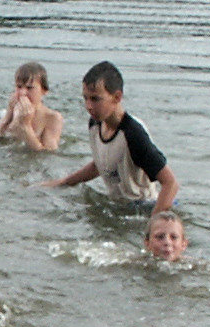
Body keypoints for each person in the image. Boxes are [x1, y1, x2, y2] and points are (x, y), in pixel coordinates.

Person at [44, 62, 178, 216]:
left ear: (117, 97)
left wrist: (154, 224)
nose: (88, 106)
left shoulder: (133, 134)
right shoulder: (95, 124)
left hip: (143, 208)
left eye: (95, 99)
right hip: (118, 207)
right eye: (85, 98)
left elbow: (171, 183)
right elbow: (101, 164)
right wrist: (63, 183)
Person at [0, 61, 64, 152]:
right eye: (19, 87)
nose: (23, 93)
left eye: (29, 88)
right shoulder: (15, 111)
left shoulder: (52, 118)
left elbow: (48, 153)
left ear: (44, 91)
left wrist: (25, 127)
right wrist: (8, 117)